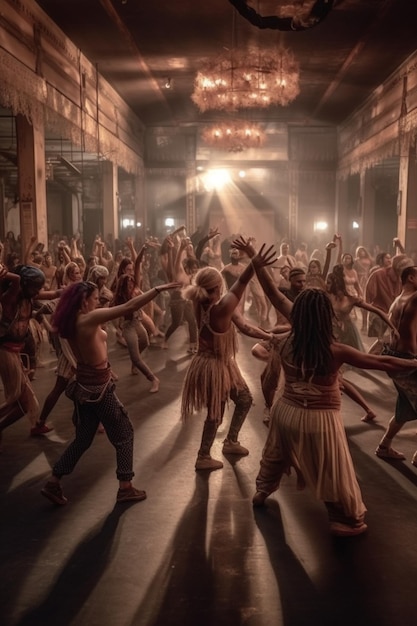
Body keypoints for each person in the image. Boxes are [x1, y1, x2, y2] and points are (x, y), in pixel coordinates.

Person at [250, 289, 417, 537]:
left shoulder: (284, 341)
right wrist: (414, 363)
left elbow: (271, 303)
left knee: (276, 452)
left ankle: (262, 491)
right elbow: (383, 363)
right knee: (332, 466)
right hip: (320, 418)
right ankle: (342, 520)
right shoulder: (335, 350)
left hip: (284, 412)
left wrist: (255, 264)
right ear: (325, 317)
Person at [40, 278, 180, 506]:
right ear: (84, 301)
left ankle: (54, 481)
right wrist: (157, 288)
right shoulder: (88, 319)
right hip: (98, 390)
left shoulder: (70, 320)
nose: (98, 302)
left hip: (85, 386)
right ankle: (125, 487)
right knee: (124, 433)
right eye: (95, 299)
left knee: (83, 439)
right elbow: (128, 307)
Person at [181, 243, 276, 471]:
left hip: (216, 362)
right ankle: (203, 456)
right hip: (213, 366)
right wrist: (254, 262)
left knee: (243, 399)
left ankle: (230, 441)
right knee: (216, 411)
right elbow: (241, 284)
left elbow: (245, 327)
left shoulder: (203, 303)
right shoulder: (220, 308)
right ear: (217, 287)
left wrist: (269, 336)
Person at [376, 266, 417, 464]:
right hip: (407, 362)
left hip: (395, 359)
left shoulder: (397, 300)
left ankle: (384, 445)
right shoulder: (414, 298)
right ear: (411, 278)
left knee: (406, 405)